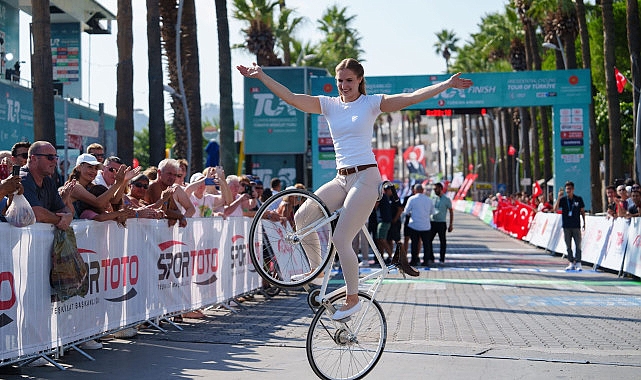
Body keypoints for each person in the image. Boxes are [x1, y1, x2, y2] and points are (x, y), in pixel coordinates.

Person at [237, 58, 472, 320]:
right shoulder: (329, 105)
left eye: (349, 80)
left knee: (341, 239)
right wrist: (262, 76)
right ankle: (317, 270)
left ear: (360, 79)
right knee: (303, 216)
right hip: (341, 178)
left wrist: (447, 84)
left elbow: (412, 97)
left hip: (367, 177)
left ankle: (352, 299)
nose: (344, 85)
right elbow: (291, 98)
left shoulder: (371, 103)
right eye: (340, 80)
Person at [20, 141, 73, 231]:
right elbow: (37, 214)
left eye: (56, 157)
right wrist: (61, 220)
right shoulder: (22, 179)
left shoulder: (48, 181)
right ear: (34, 158)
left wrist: (68, 216)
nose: (55, 161)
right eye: (50, 157)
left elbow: (62, 209)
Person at [553, 181, 586, 271]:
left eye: (570, 189)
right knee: (568, 246)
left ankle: (578, 263)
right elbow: (555, 209)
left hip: (576, 225)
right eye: (567, 189)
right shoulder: (563, 200)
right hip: (566, 226)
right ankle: (571, 262)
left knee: (578, 245)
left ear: (573, 189)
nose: (568, 190)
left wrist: (584, 222)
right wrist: (558, 198)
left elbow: (582, 211)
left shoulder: (578, 199)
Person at [403, 184, 435, 266]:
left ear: (415, 190)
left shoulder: (412, 199)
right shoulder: (429, 199)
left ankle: (414, 260)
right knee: (426, 244)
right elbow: (432, 212)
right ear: (422, 190)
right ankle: (426, 260)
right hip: (426, 225)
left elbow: (406, 211)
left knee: (414, 243)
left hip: (414, 225)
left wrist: (411, 214)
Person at [427, 182, 453, 266]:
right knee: (428, 240)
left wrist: (451, 224)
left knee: (443, 242)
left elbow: (451, 211)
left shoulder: (446, 199)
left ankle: (442, 259)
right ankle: (431, 258)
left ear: (441, 189)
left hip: (442, 223)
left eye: (436, 189)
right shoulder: (432, 198)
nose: (434, 190)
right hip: (432, 222)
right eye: (434, 189)